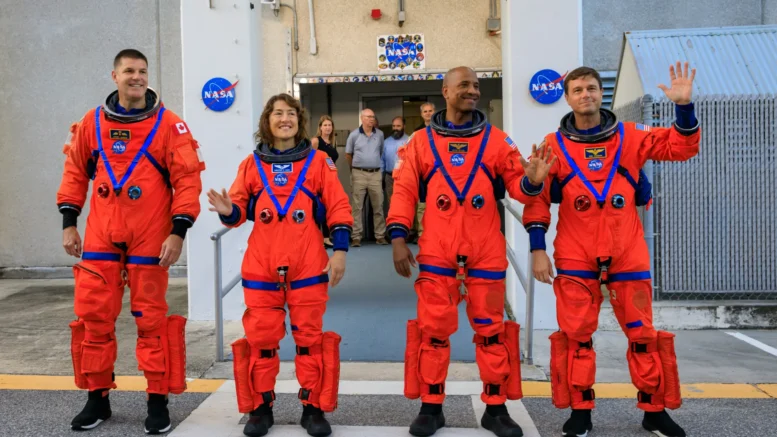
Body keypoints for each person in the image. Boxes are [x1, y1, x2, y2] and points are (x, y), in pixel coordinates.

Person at [522, 63, 700, 437]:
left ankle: (654, 410)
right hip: (575, 253)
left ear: (599, 92)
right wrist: (537, 249)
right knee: (577, 337)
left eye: (590, 88)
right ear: (567, 98)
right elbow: (535, 200)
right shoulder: (551, 146)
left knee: (642, 335)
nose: (585, 94)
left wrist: (684, 108)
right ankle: (581, 413)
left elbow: (681, 147)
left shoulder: (632, 136)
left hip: (627, 252)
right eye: (577, 90)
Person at [387, 66, 556, 437]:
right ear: (444, 92)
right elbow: (402, 190)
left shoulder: (498, 141)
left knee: (492, 331)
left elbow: (519, 189)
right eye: (464, 85)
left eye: (476, 86)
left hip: (485, 251)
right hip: (437, 251)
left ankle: (495, 408)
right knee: (433, 332)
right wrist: (398, 238)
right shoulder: (418, 143)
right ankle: (431, 407)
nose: (472, 91)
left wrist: (532, 180)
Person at [57, 49, 206, 434]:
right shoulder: (91, 123)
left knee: (152, 321)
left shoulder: (170, 125)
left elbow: (187, 182)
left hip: (151, 238)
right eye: (129, 71)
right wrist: (69, 223)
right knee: (94, 319)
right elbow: (75, 172)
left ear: (147, 76)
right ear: (115, 76)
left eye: (142, 71)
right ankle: (96, 400)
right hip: (102, 236)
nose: (136, 77)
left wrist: (178, 232)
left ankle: (157, 402)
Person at [207, 93, 352, 437]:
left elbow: (338, 207)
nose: (284, 118)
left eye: (290, 113)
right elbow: (239, 210)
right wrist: (229, 210)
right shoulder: (251, 165)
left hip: (308, 264)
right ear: (266, 121)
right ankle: (260, 408)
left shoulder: (318, 162)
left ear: (299, 120)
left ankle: (313, 408)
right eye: (277, 113)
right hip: (262, 265)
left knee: (309, 340)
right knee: (261, 340)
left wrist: (341, 251)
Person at [345, 108, 388, 247]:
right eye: (368, 117)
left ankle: (380, 236)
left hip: (375, 174)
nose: (371, 119)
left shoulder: (380, 134)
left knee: (378, 206)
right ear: (362, 118)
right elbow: (348, 155)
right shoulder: (354, 135)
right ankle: (356, 237)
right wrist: (355, 169)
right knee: (357, 207)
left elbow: (380, 152)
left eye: (373, 117)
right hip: (359, 174)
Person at [311, 115, 340, 248]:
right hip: (317, 179)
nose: (328, 128)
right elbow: (310, 161)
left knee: (328, 208)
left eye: (330, 125)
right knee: (317, 208)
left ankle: (327, 237)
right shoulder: (316, 141)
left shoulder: (333, 142)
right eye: (325, 125)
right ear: (320, 127)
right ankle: (316, 237)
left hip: (330, 179)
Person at [409, 102, 436, 243]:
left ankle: (437, 233)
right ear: (421, 114)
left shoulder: (442, 129)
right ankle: (422, 233)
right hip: (423, 174)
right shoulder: (416, 133)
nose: (428, 113)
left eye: (430, 111)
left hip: (440, 173)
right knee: (422, 205)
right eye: (425, 111)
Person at [381, 116, 410, 210]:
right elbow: (382, 161)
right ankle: (393, 224)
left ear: (404, 126)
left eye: (398, 126)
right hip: (389, 177)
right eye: (394, 126)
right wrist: (381, 177)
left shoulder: (410, 141)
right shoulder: (386, 142)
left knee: (405, 202)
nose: (395, 128)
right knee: (391, 203)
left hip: (404, 177)